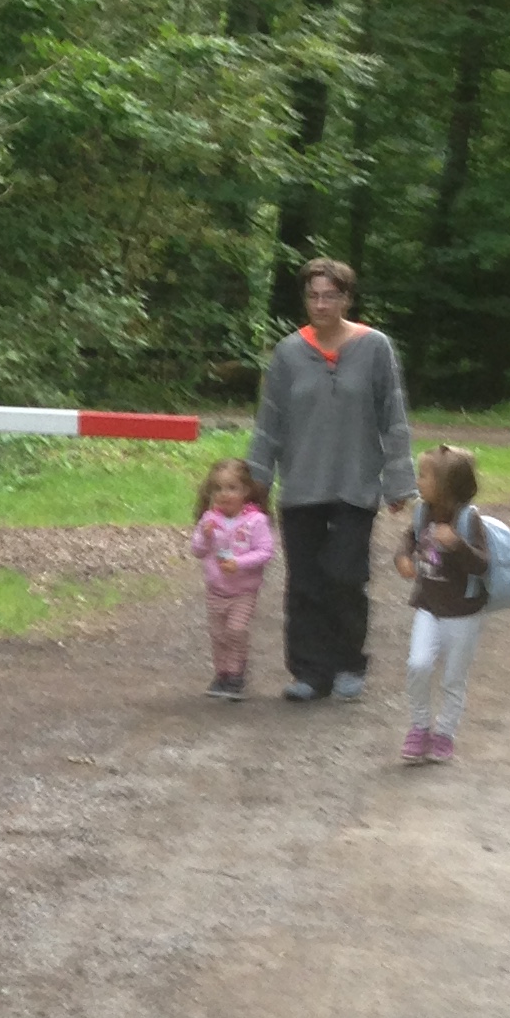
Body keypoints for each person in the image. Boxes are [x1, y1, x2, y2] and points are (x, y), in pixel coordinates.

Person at [246, 259, 415, 702]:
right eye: (313, 296)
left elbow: (393, 416)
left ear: (347, 299)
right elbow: (269, 422)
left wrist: (399, 480)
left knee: (345, 576)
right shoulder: (287, 353)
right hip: (302, 486)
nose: (321, 304)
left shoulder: (375, 348)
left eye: (330, 296)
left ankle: (348, 663)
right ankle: (309, 672)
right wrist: (257, 479)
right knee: (304, 583)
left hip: (354, 486)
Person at [393, 445, 492, 767]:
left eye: (424, 475)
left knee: (453, 678)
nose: (418, 481)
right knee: (418, 665)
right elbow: (408, 540)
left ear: (447, 485)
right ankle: (420, 727)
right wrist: (403, 558)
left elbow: (482, 565)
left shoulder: (468, 520)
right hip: (428, 606)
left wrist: (458, 545)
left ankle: (445, 733)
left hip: (463, 613)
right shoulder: (423, 512)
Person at [188, 457, 275, 700]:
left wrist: (239, 563)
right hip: (216, 589)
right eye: (218, 489)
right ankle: (222, 674)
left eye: (232, 488)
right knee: (218, 635)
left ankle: (237, 673)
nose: (224, 494)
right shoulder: (210, 519)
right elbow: (197, 550)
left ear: (245, 490)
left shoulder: (255, 521)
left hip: (243, 591)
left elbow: (265, 552)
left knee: (236, 630)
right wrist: (205, 536)